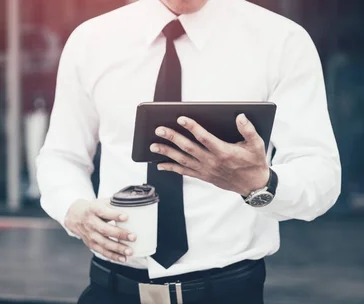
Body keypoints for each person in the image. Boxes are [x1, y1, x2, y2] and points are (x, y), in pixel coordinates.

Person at [36, 0, 342, 303]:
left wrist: (259, 184)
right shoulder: (91, 40)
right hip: (111, 289)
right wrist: (73, 209)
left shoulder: (281, 41)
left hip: (226, 293)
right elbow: (62, 156)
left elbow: (322, 176)